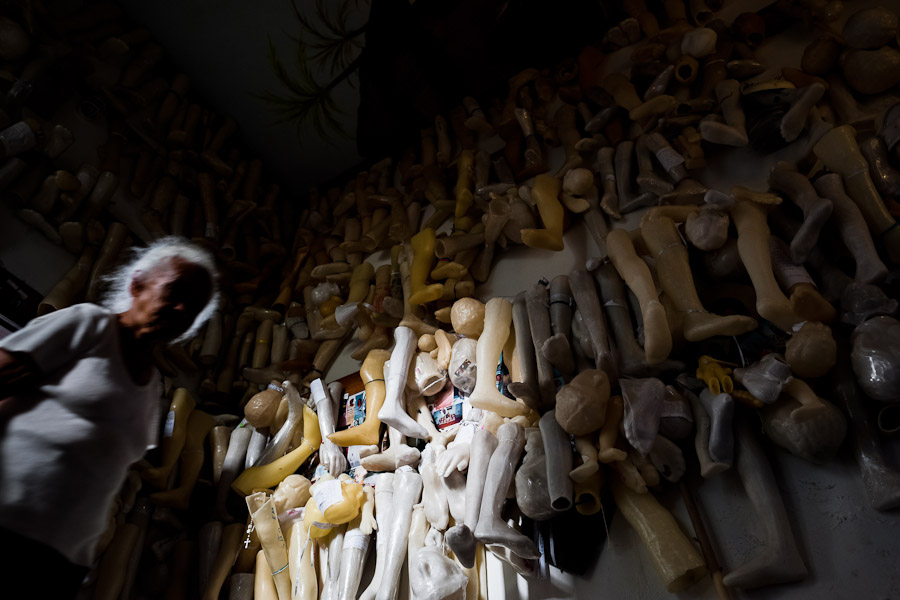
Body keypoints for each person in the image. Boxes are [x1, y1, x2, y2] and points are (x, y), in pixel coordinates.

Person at [0, 236, 219, 598]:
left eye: (193, 309)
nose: (181, 310)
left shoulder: (151, 389)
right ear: (138, 284)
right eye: (175, 292)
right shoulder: (88, 326)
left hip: (61, 560)